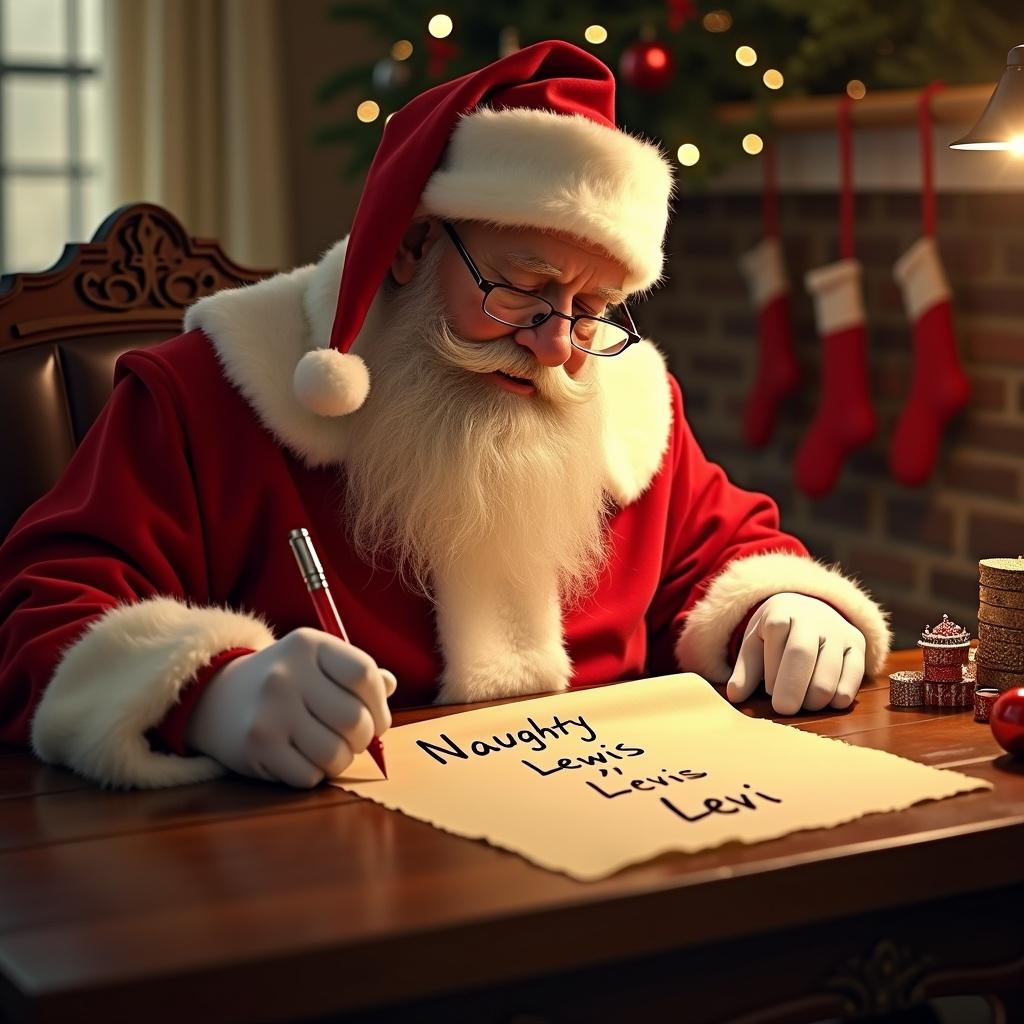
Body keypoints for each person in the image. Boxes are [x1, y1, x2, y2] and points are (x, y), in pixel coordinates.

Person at [0, 40, 890, 790]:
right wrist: (209, 691)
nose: (556, 347)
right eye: (523, 288)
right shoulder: (213, 389)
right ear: (413, 244)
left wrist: (781, 604)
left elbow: (726, 551)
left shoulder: (624, 398)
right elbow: (44, 615)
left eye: (592, 308)